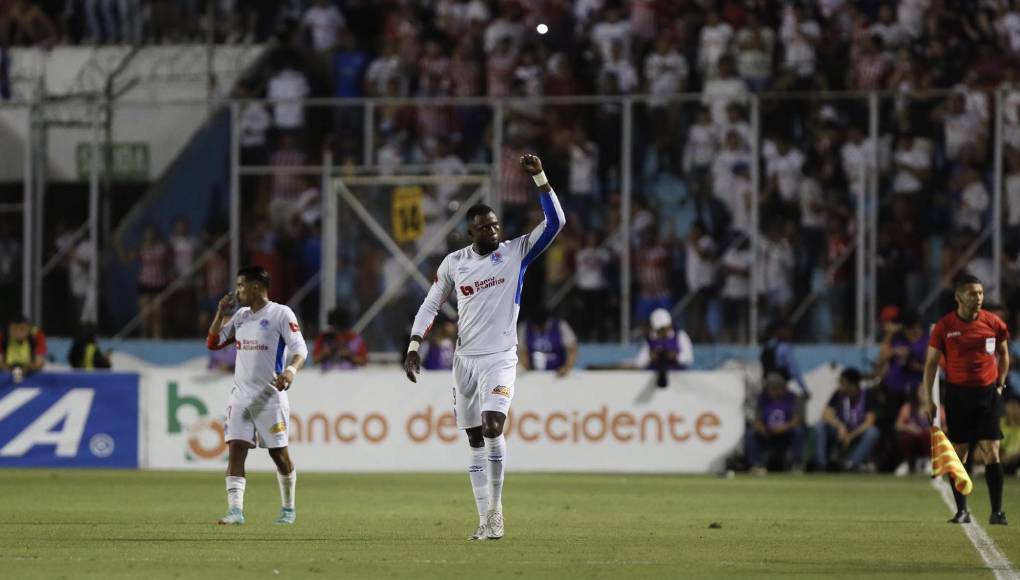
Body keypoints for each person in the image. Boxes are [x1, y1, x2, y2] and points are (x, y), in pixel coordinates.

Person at [403, 153, 565, 541]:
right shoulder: (454, 264)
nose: (492, 231)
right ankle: (483, 517)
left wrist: (540, 177)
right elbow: (430, 303)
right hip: (465, 361)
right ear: (470, 232)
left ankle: (496, 512)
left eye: (495, 224)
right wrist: (413, 343)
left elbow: (556, 222)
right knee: (474, 437)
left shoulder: (515, 253)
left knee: (495, 427)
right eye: (484, 227)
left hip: (500, 358)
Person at [206, 266, 308, 526]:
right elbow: (214, 342)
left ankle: (288, 508)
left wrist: (291, 372)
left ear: (256, 287)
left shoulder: (280, 314)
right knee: (236, 450)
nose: (237, 291)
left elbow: (300, 350)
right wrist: (220, 314)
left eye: (241, 286)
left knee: (279, 455)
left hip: (269, 396)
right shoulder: (240, 317)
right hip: (240, 396)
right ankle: (235, 511)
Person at [921, 274, 1010, 525]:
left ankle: (998, 512)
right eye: (972, 293)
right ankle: (962, 511)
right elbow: (930, 365)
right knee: (960, 452)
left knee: (992, 451)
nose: (978, 298)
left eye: (980, 293)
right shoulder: (945, 326)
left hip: (987, 394)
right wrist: (929, 399)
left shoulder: (994, 323)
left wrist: (1000, 384)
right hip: (958, 394)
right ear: (958, 296)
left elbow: (1004, 354)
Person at [816, 368, 880, 472]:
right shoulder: (838, 394)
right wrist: (840, 426)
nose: (840, 385)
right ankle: (821, 464)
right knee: (820, 425)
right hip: (839, 432)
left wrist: (851, 436)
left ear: (852, 384)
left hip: (857, 432)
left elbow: (869, 422)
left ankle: (851, 464)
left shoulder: (867, 395)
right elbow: (825, 415)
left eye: (842, 382)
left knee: (873, 432)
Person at [746, 372, 805, 474]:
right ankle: (757, 465)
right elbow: (757, 420)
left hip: (787, 432)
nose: (772, 390)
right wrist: (762, 428)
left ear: (782, 387)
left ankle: (797, 464)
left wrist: (784, 427)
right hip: (768, 432)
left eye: (775, 387)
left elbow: (798, 419)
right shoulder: (762, 399)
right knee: (751, 434)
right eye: (770, 387)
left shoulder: (793, 398)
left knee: (798, 431)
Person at [634, 308, 694, 387]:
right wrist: (650, 357)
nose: (662, 331)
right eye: (659, 329)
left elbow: (689, 359)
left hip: (678, 381)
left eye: (664, 328)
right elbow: (639, 363)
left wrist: (675, 356)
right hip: (653, 382)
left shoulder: (680, 336)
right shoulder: (649, 340)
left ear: (669, 325)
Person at [518, 307, 578, 377]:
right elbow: (521, 350)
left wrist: (567, 367)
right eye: (536, 326)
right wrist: (525, 365)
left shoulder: (560, 325)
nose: (539, 328)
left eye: (542, 326)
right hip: (533, 372)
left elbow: (572, 349)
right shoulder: (525, 327)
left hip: (557, 372)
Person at [760, 321, 810, 398]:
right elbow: (794, 370)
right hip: (779, 385)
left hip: (767, 384)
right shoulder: (785, 348)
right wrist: (804, 389)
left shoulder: (768, 345)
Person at [0, 314, 47, 379]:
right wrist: (12, 370)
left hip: (29, 370)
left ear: (28, 328)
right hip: (8, 369)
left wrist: (25, 369)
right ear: (9, 329)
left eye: (22, 329)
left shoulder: (36, 334)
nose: (18, 333)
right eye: (14, 329)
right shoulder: (3, 336)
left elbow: (39, 363)